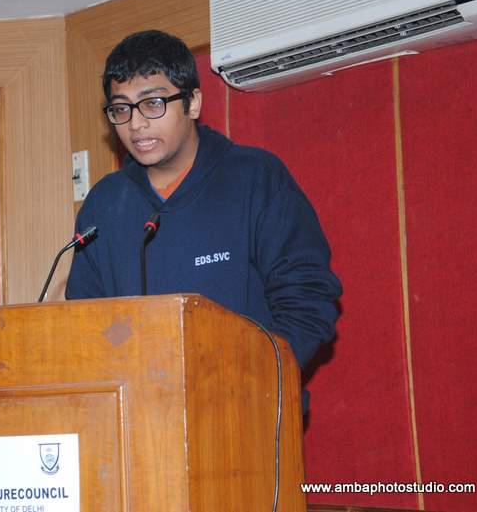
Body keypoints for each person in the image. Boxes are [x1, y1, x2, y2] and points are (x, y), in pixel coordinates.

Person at [65, 30, 342, 385]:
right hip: (137, 410)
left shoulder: (256, 178)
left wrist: (248, 378)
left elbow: (308, 300)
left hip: (244, 404)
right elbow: (86, 324)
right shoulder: (103, 204)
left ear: (193, 103)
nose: (136, 124)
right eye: (121, 109)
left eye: (153, 103)